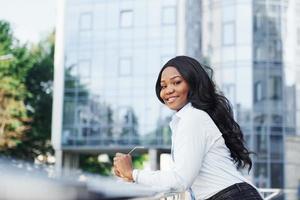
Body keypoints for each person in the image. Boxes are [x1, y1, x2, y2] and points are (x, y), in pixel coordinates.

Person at [113, 56, 263, 200]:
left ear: (193, 84)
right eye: (163, 86)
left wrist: (133, 173)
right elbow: (180, 181)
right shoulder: (186, 119)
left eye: (176, 82)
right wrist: (131, 176)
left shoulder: (193, 118)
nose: (168, 90)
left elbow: (180, 180)